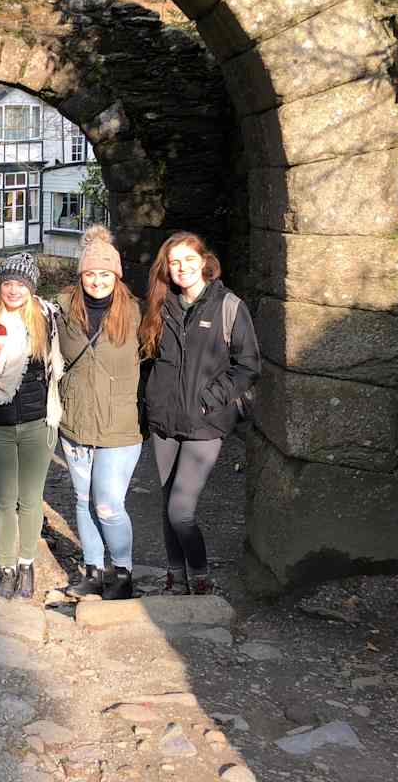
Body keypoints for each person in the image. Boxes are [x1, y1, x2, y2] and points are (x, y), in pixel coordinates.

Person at [139, 231, 261, 596]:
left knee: (181, 510)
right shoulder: (161, 305)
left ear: (204, 262)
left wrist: (211, 398)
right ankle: (176, 578)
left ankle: (200, 575)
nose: (182, 268)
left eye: (189, 260)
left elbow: (249, 365)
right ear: (167, 268)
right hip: (165, 422)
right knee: (167, 505)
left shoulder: (228, 306)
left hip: (205, 422)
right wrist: (149, 402)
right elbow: (148, 359)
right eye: (174, 262)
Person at [54, 225, 144, 602]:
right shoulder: (62, 310)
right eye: (90, 273)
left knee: (107, 504)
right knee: (82, 500)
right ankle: (93, 570)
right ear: (81, 274)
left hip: (118, 426)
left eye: (105, 274)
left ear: (116, 275)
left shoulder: (136, 313)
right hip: (75, 422)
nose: (97, 281)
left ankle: (122, 572)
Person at [0, 252, 63, 601]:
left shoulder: (47, 318)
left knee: (31, 499)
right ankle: (7, 567)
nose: (13, 290)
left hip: (38, 423)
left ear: (31, 287)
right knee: (4, 501)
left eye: (21, 284)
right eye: (7, 283)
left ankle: (27, 563)